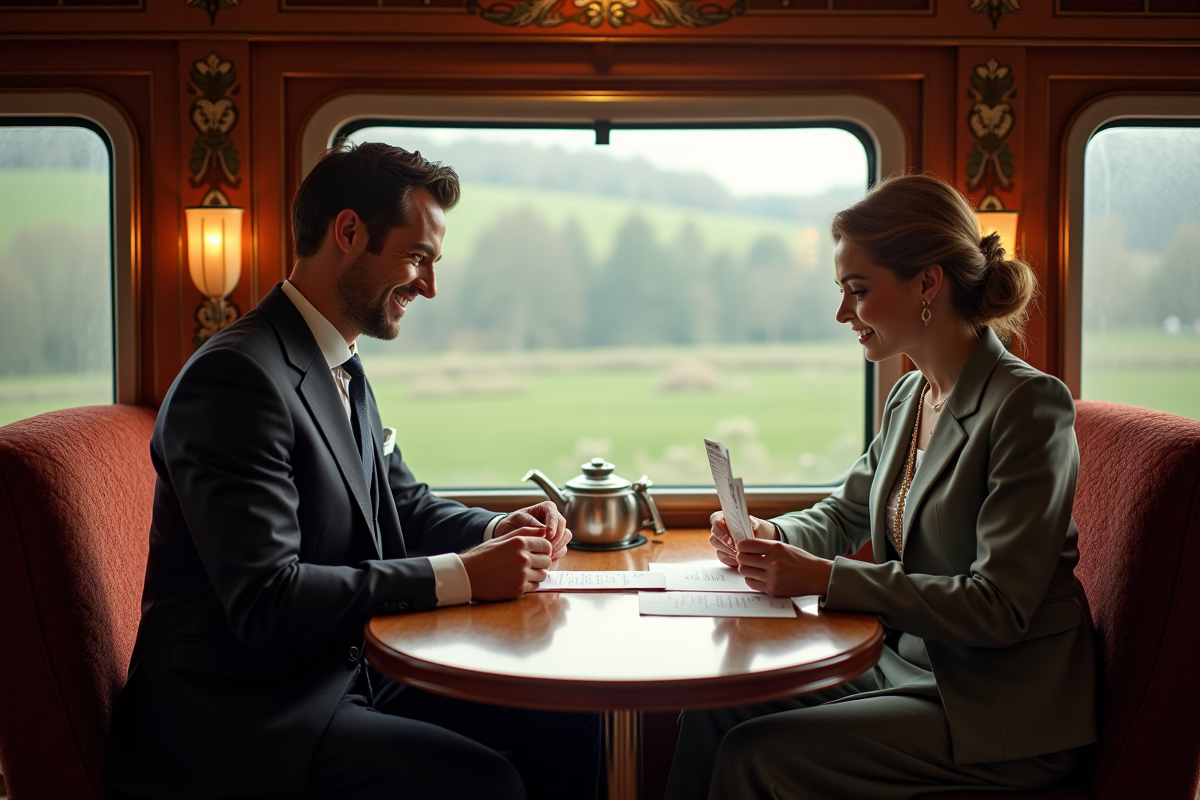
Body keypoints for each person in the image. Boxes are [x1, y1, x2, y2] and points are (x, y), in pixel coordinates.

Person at [105, 142, 601, 800]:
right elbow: (266, 601)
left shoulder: (339, 362)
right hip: (245, 713)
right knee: (487, 784)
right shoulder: (235, 380)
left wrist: (496, 530)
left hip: (339, 672)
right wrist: (461, 576)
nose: (428, 285)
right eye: (417, 257)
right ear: (348, 232)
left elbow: (405, 504)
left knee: (570, 709)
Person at [665, 174, 1097, 800]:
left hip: (1000, 709)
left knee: (755, 753)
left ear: (927, 283)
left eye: (858, 291)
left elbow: (998, 607)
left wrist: (824, 579)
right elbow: (846, 512)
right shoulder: (910, 395)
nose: (843, 313)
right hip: (906, 667)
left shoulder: (1028, 406)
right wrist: (769, 534)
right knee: (715, 707)